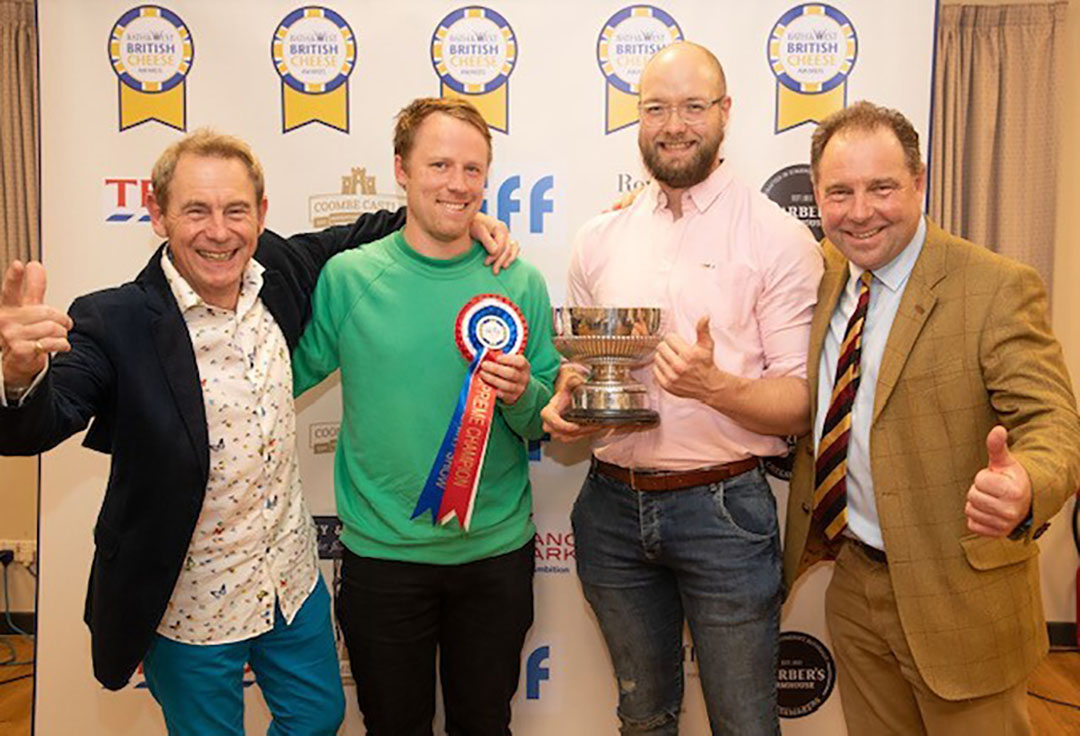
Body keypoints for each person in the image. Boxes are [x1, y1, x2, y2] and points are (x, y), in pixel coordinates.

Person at [0, 129, 514, 736]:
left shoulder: (284, 271)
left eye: (235, 210)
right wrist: (19, 374)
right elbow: (42, 420)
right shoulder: (114, 320)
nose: (219, 231)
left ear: (261, 215)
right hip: (186, 602)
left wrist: (462, 218)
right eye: (196, 210)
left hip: (288, 587)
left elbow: (369, 230)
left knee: (319, 718)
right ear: (159, 215)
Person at [541, 42, 822, 735]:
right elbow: (581, 369)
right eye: (657, 108)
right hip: (609, 510)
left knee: (745, 723)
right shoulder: (599, 236)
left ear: (726, 113)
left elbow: (798, 404)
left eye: (694, 107)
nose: (675, 124)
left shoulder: (779, 238)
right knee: (642, 716)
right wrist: (567, 404)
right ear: (637, 118)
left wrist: (713, 386)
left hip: (724, 511)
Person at [783, 100, 1080, 735]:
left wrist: (1026, 482)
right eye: (840, 192)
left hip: (960, 601)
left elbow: (1053, 422)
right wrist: (645, 211)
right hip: (856, 586)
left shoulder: (996, 286)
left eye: (882, 187)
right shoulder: (825, 269)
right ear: (817, 196)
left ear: (920, 182)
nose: (860, 211)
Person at [291, 97, 560, 736]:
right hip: (383, 560)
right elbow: (281, 381)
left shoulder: (519, 281)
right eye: (439, 164)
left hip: (494, 556)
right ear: (401, 171)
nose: (457, 183)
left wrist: (523, 392)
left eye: (473, 169)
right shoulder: (348, 277)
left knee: (485, 724)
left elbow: (541, 422)